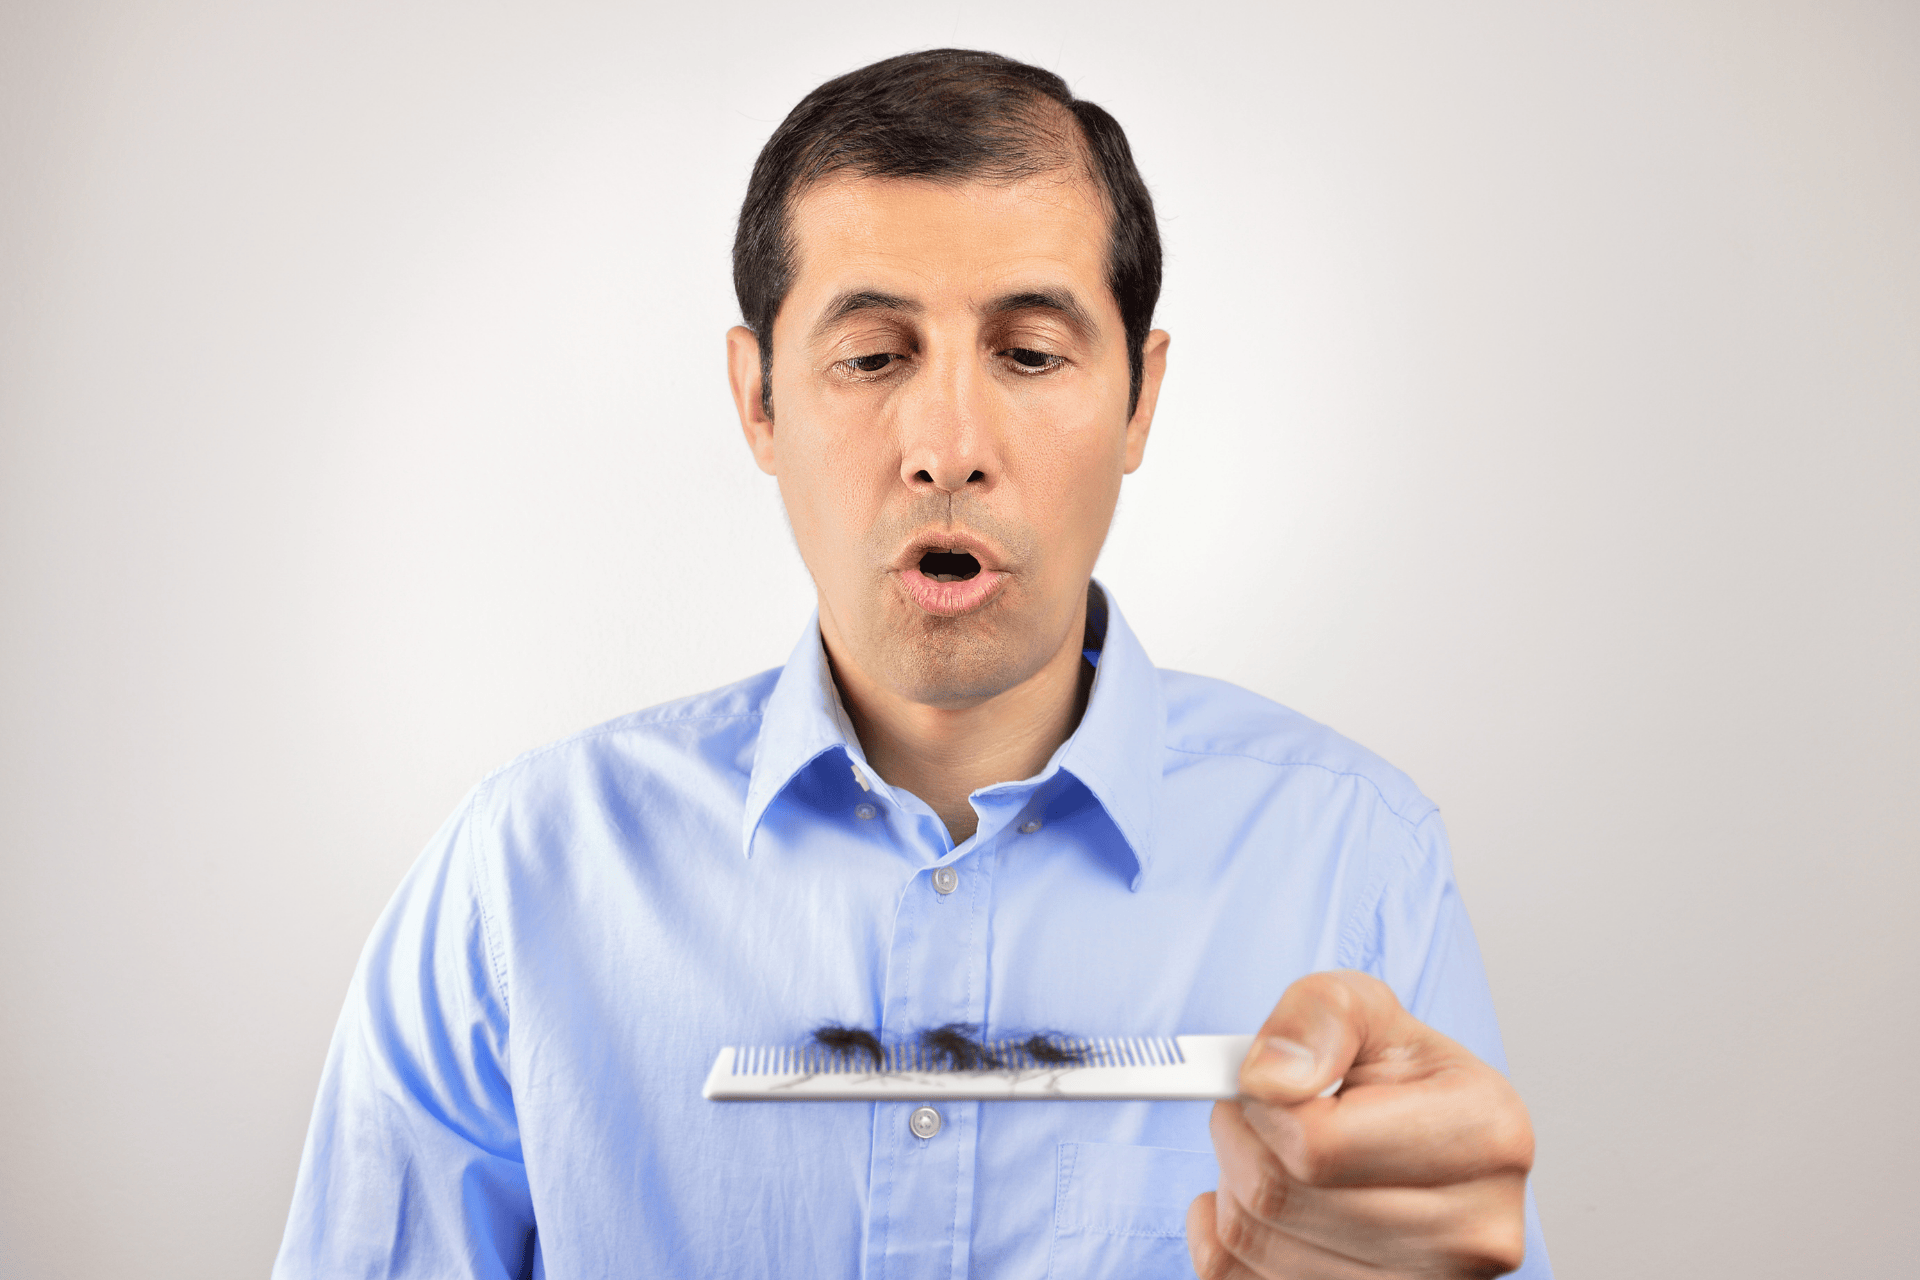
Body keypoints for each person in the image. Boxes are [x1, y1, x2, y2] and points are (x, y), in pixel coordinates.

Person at [275, 49, 1548, 1279]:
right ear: (759, 398)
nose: (947, 447)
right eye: (874, 355)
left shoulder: (1356, 858)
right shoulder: (520, 878)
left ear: (1140, 401)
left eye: (1031, 353)